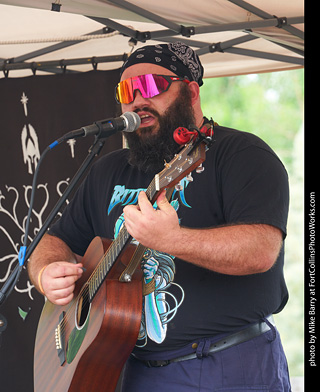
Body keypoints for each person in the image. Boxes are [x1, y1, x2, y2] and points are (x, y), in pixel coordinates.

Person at [28, 42, 291, 391]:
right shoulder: (108, 170)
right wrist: (46, 271)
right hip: (137, 372)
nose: (137, 100)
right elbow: (54, 240)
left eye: (152, 86)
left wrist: (173, 241)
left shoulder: (242, 155)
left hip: (229, 364)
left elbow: (262, 250)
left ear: (191, 92)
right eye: (126, 91)